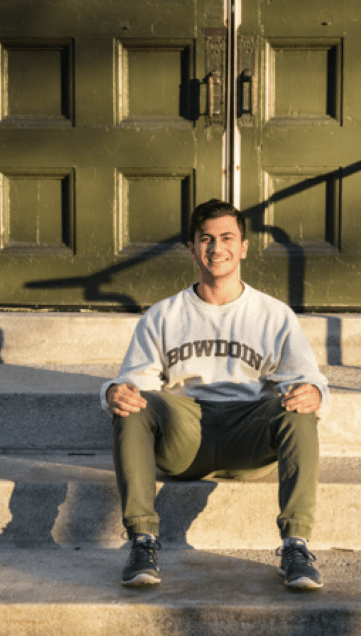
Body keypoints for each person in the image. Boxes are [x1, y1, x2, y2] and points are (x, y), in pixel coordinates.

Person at [101, 199, 329, 590]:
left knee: (297, 407)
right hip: (184, 433)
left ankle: (295, 545)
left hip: (248, 430)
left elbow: (307, 378)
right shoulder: (163, 315)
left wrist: (314, 394)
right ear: (192, 247)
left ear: (243, 247)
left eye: (227, 238)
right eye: (206, 239)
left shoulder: (273, 314)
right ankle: (142, 539)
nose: (216, 248)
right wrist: (113, 393)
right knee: (134, 403)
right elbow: (135, 381)